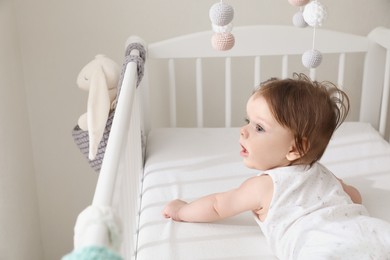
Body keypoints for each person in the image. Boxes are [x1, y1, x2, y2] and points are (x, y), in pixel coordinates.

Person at [162, 73, 390, 259]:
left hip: (321, 247)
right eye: (247, 122)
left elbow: (217, 205)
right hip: (372, 232)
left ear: (295, 149)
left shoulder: (264, 186)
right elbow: (355, 197)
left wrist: (181, 210)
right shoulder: (323, 174)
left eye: (259, 128)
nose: (244, 131)